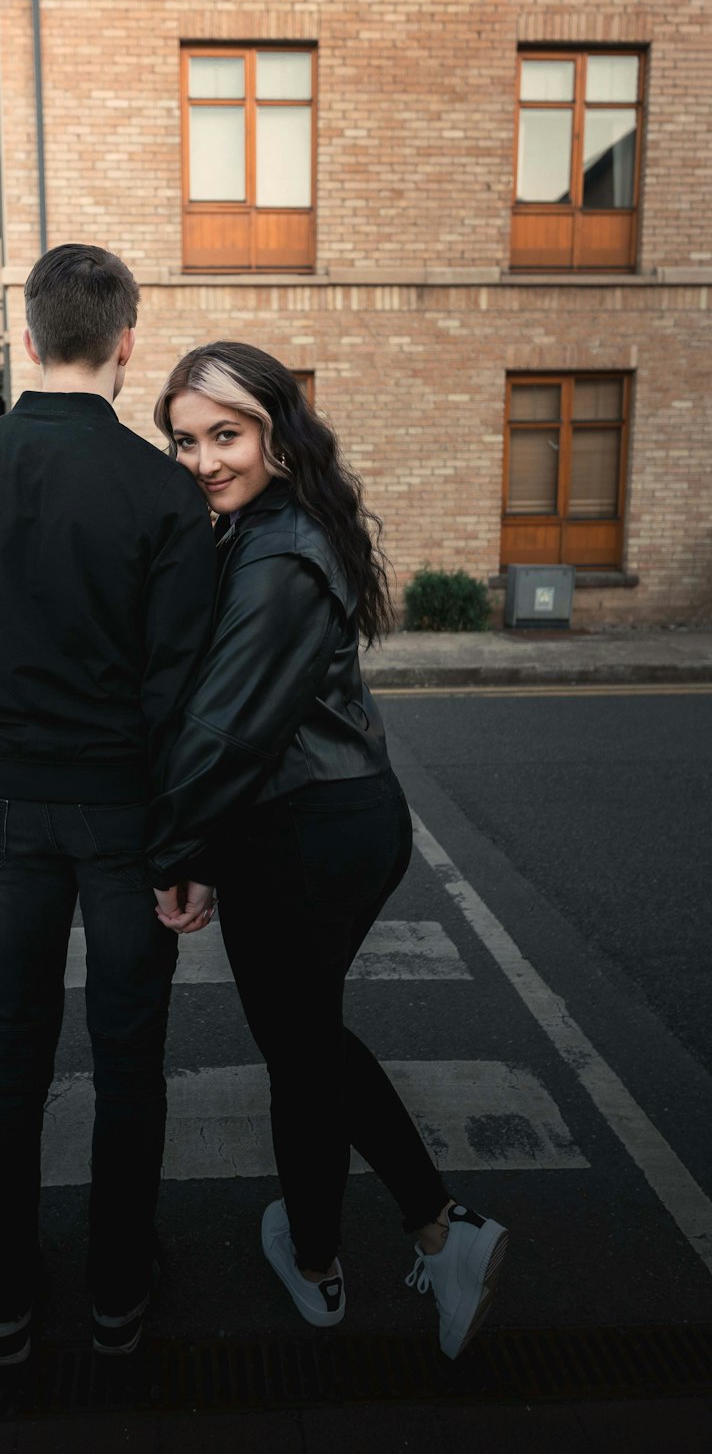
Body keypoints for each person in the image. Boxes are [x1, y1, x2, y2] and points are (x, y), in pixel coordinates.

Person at [145, 342, 507, 1359]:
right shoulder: (271, 529)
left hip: (307, 832)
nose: (205, 459)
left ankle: (430, 1229)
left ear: (276, 432)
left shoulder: (279, 554)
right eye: (184, 440)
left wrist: (176, 849)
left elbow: (227, 728)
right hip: (309, 821)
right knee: (303, 1045)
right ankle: (327, 1253)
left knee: (301, 1044)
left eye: (227, 434)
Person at [0, 244, 217, 1365]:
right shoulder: (165, 494)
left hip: (14, 809)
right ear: (126, 341)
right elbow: (182, 694)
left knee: (9, 1048)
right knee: (129, 1058)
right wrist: (186, 844)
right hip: (129, 815)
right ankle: (120, 1290)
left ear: (28, 339)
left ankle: (3, 1300)